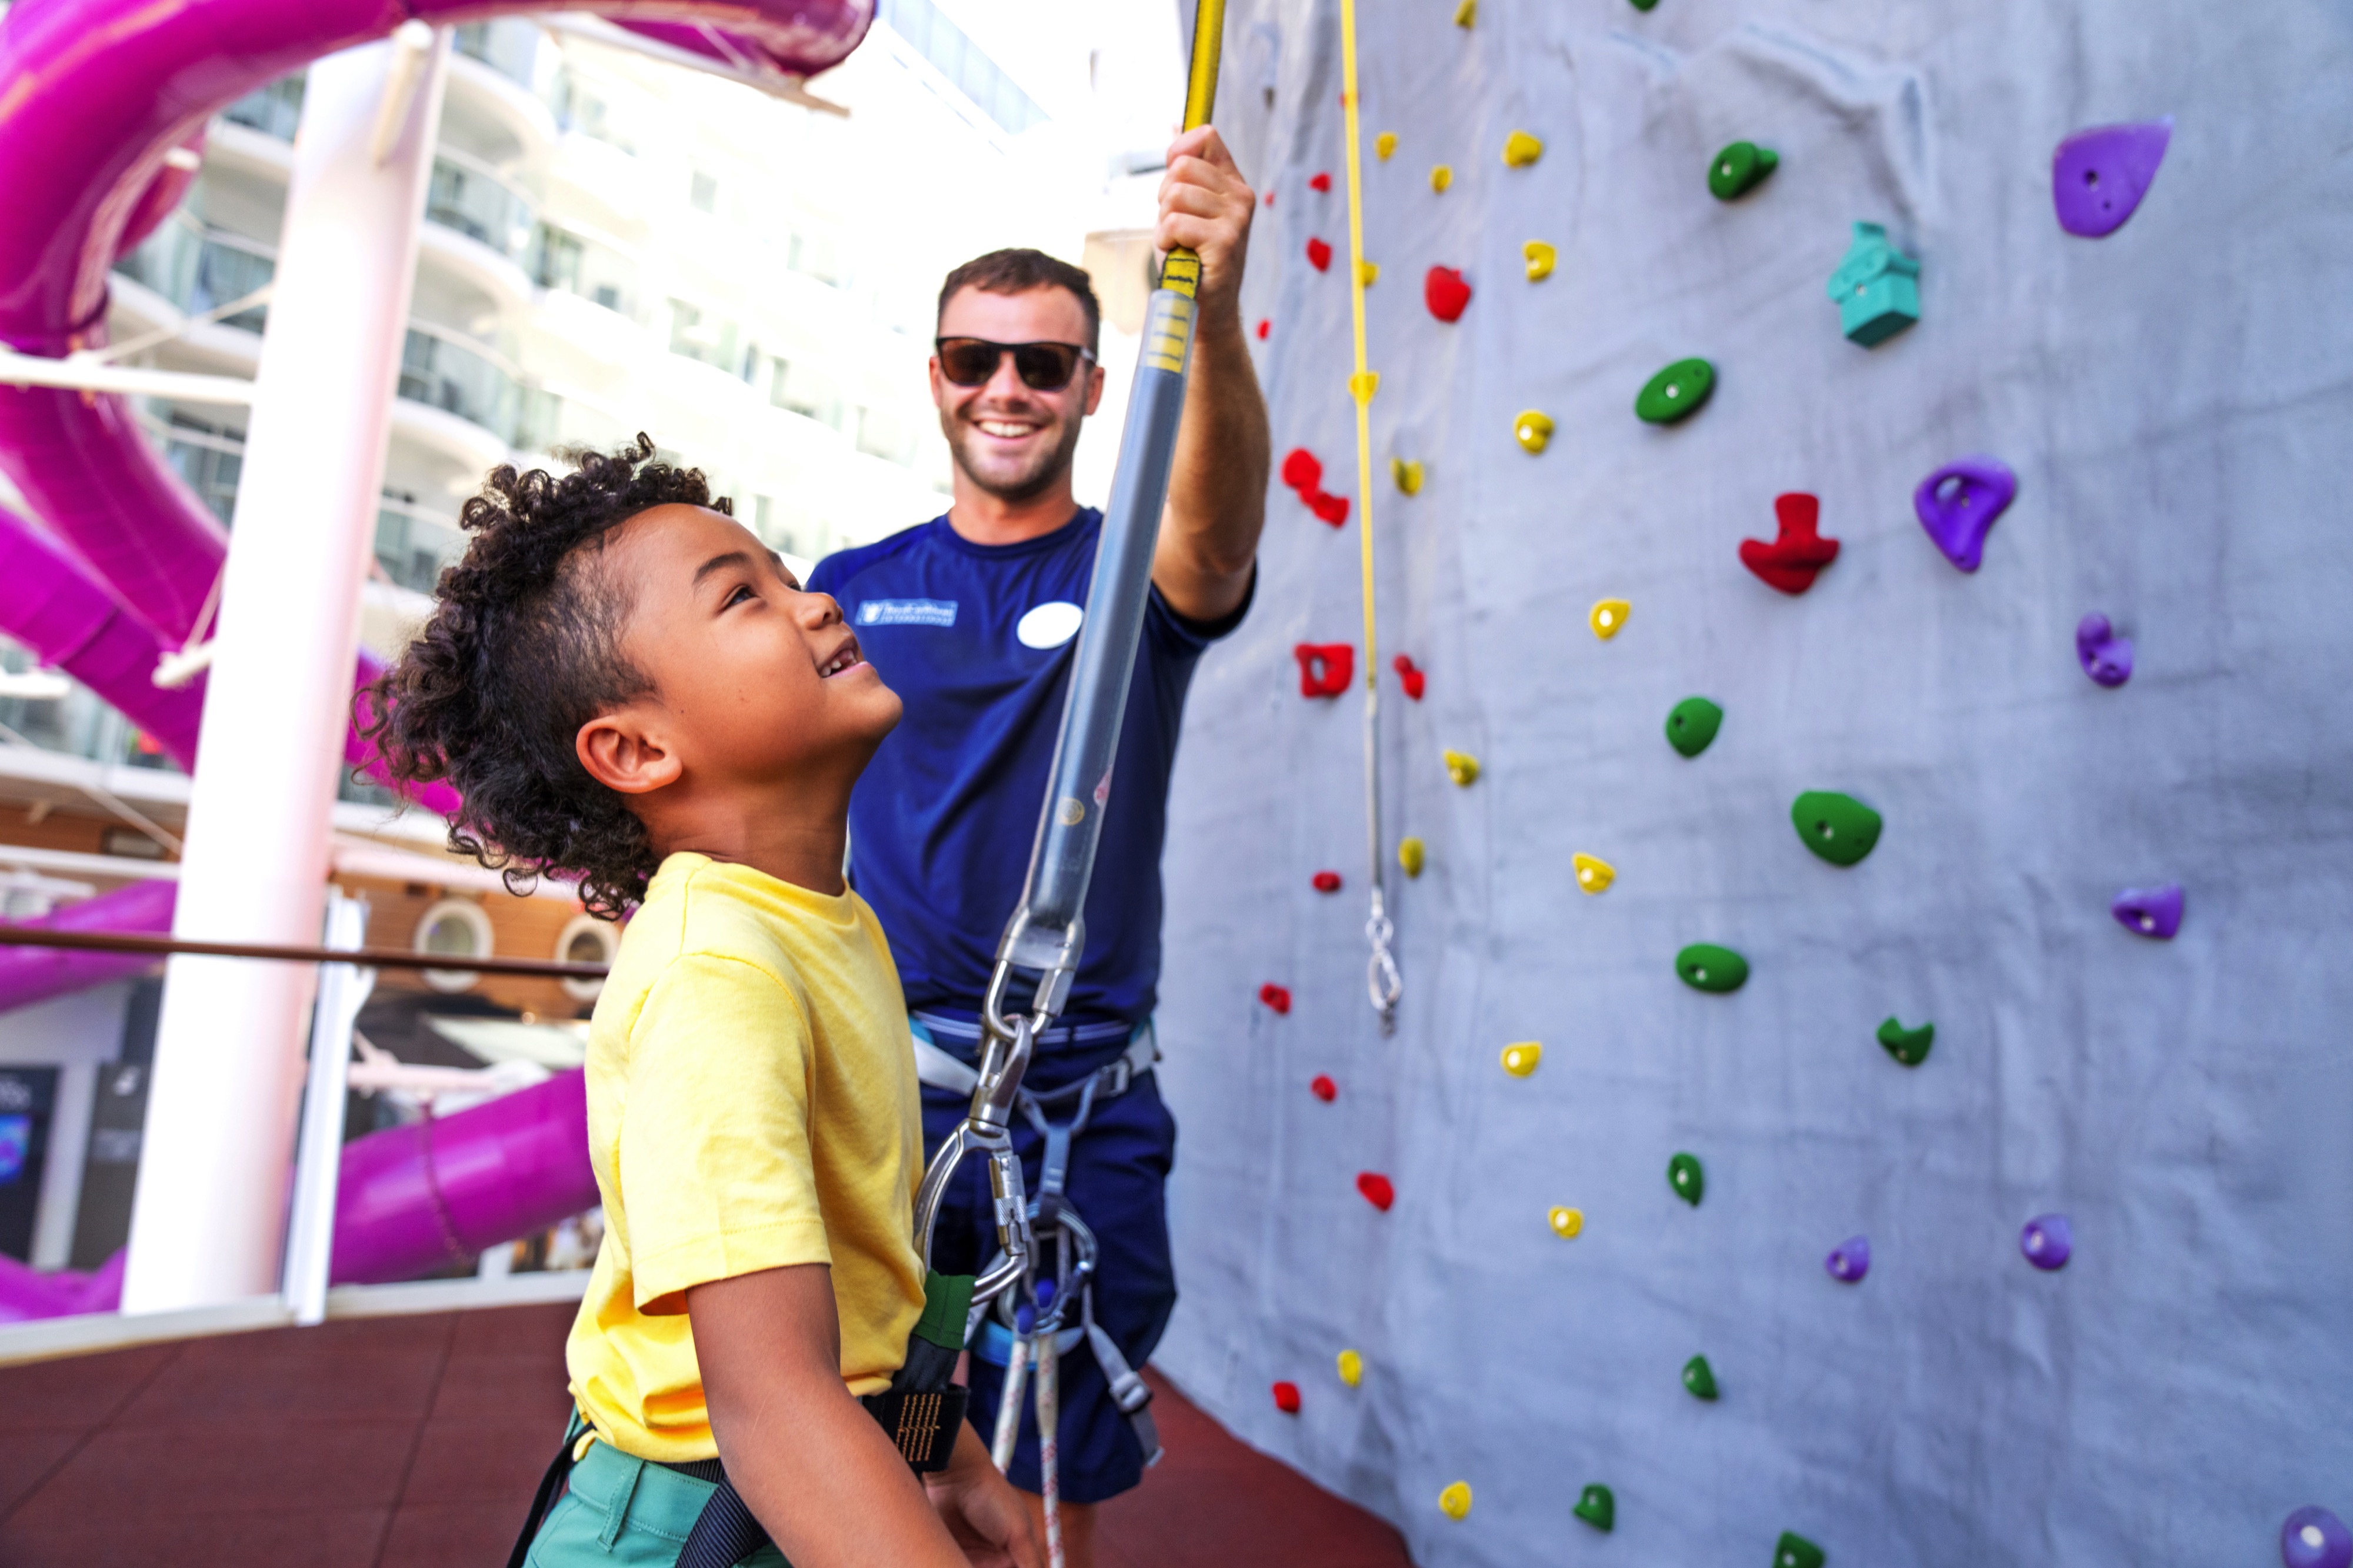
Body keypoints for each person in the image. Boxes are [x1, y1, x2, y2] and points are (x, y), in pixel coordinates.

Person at [364, 438, 1041, 1568]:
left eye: (785, 575)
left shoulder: (826, 919)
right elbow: (771, 1401)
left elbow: (874, 1301)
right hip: (691, 1526)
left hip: (805, 1484)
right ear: (635, 748)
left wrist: (949, 1456)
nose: (816, 600)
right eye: (745, 597)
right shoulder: (716, 974)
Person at [806, 126, 1269, 1562]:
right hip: (902, 1090)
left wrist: (1216, 305)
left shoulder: (1131, 570)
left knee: (1063, 1438)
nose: (1004, 387)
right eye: (973, 357)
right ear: (935, 375)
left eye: (1043, 364)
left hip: (1083, 1104)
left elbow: (1216, 532)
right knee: (902, 1418)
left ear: (1084, 388)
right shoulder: (850, 588)